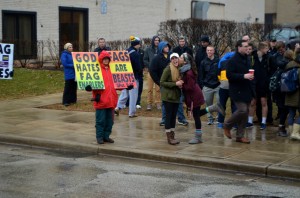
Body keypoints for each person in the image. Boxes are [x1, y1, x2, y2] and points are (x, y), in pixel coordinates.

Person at [180, 53, 225, 144]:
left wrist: (181, 84)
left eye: (180, 57)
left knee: (196, 116)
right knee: (196, 114)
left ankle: (198, 137)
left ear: (185, 61)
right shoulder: (186, 70)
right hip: (194, 96)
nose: (179, 58)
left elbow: (190, 87)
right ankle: (213, 107)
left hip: (194, 96)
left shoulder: (188, 73)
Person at [223, 40, 255, 144]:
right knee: (242, 110)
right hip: (237, 90)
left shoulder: (247, 58)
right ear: (239, 47)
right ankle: (227, 125)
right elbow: (229, 76)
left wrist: (250, 77)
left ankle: (240, 136)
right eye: (245, 46)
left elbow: (248, 72)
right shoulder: (232, 60)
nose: (247, 48)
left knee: (245, 114)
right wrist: (243, 76)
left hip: (247, 89)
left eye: (248, 46)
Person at [150, 41, 188, 126]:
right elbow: (152, 71)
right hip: (165, 84)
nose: (167, 48)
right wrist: (159, 82)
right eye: (165, 47)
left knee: (179, 101)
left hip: (177, 83)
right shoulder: (156, 59)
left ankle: (181, 118)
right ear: (161, 48)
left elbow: (180, 66)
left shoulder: (172, 56)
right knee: (165, 102)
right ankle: (164, 119)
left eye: (168, 46)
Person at [85, 51, 118, 144]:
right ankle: (99, 137)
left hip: (111, 100)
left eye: (107, 59)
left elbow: (118, 83)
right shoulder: (97, 70)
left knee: (110, 121)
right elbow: (90, 83)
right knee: (100, 121)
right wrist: (88, 88)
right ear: (101, 60)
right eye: (104, 59)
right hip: (101, 100)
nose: (106, 60)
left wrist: (127, 86)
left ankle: (106, 136)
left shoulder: (113, 70)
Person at [115, 36, 141, 118]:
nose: (140, 45)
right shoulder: (135, 54)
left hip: (125, 76)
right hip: (133, 76)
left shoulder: (126, 51)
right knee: (133, 95)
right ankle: (131, 113)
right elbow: (138, 67)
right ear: (136, 44)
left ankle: (118, 107)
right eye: (139, 44)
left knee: (124, 93)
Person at [160, 53, 183, 145]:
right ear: (171, 60)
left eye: (176, 58)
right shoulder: (168, 69)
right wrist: (175, 84)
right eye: (173, 59)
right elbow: (162, 82)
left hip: (176, 96)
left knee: (174, 116)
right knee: (169, 116)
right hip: (168, 97)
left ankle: (173, 135)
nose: (175, 60)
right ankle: (169, 137)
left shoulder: (179, 69)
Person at [246, 42, 270, 130]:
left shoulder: (268, 57)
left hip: (264, 84)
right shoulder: (252, 57)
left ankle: (263, 122)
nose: (268, 50)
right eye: (266, 48)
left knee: (264, 102)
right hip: (254, 83)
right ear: (261, 49)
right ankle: (249, 121)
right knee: (252, 102)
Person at [199, 45, 220, 125]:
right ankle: (210, 118)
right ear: (206, 51)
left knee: (219, 102)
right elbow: (201, 75)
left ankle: (219, 118)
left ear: (214, 51)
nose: (209, 52)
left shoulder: (218, 60)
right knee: (208, 103)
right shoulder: (203, 62)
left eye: (211, 50)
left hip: (218, 85)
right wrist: (202, 86)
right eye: (208, 50)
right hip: (207, 86)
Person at [217, 51, 236, 128]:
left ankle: (220, 122)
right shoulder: (236, 62)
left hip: (223, 87)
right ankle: (235, 124)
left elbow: (218, 74)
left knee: (222, 105)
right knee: (234, 106)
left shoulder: (221, 62)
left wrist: (221, 81)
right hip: (233, 87)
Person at [285, 45, 300, 140]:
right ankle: (295, 132)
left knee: (291, 113)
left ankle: (290, 132)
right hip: (297, 95)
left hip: (288, 93)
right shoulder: (299, 69)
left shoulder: (289, 64)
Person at [143, 36, 161, 110]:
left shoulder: (161, 49)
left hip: (158, 72)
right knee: (149, 89)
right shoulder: (148, 49)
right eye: (155, 40)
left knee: (158, 89)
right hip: (150, 72)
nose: (157, 41)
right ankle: (149, 103)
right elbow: (145, 59)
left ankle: (158, 103)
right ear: (153, 41)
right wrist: (150, 65)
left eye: (158, 40)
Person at [61, 42, 77, 106]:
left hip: (74, 73)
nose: (71, 48)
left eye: (72, 47)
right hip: (68, 73)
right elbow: (65, 64)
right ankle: (65, 101)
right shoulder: (64, 54)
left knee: (73, 87)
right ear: (66, 48)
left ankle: (73, 100)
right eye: (70, 47)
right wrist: (73, 65)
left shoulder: (73, 54)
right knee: (68, 88)